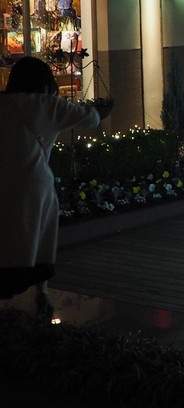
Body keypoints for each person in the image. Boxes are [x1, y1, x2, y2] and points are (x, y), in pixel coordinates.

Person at [0, 57, 113, 316]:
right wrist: (103, 108)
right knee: (40, 235)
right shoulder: (49, 106)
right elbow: (92, 118)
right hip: (35, 182)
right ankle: (42, 291)